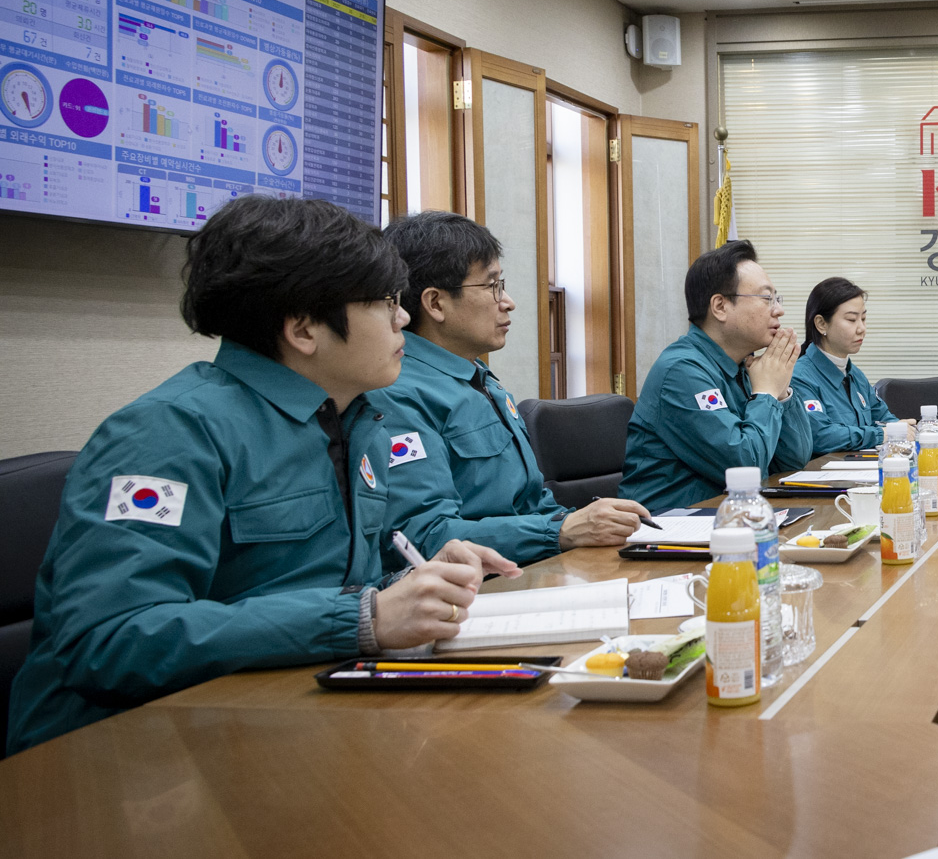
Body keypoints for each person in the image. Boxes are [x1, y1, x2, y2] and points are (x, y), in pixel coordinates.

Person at [8, 197, 519, 754]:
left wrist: (403, 583)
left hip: (283, 713)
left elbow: (313, 586)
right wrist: (362, 616)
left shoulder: (358, 419)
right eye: (382, 302)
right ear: (303, 329)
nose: (402, 319)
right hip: (116, 758)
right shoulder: (167, 434)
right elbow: (111, 640)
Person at [374, 213, 651, 567]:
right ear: (436, 303)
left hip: (536, 566)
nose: (508, 301)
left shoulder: (480, 377)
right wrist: (560, 530)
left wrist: (585, 520)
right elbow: (425, 537)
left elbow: (534, 503)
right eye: (492, 287)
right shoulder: (398, 393)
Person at [621, 240, 813, 511]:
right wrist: (766, 393)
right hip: (668, 534)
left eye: (776, 299)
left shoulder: (744, 368)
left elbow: (793, 461)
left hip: (727, 521)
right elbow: (745, 468)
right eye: (766, 298)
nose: (778, 309)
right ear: (720, 307)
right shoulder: (682, 371)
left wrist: (780, 393)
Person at [790, 276, 904, 453]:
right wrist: (881, 435)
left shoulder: (855, 375)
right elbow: (820, 436)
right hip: (823, 477)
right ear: (821, 324)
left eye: (863, 319)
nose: (861, 328)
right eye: (852, 320)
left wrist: (908, 429)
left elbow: (883, 417)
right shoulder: (799, 376)